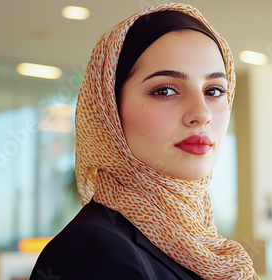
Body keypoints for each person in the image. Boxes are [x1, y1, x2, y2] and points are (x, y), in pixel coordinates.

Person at [30, 3, 259, 279]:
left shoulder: (204, 246)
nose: (201, 114)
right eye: (165, 90)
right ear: (110, 111)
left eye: (214, 90)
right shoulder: (92, 249)